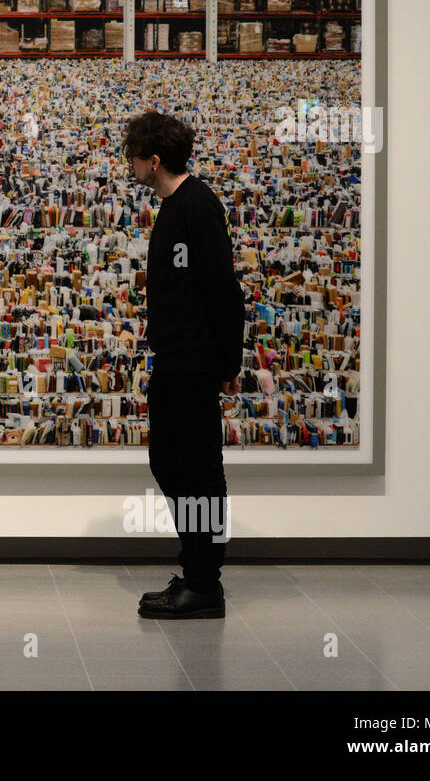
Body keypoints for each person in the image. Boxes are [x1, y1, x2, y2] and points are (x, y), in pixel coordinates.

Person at [123, 110, 245, 620]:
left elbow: (223, 288)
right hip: (173, 361)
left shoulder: (197, 206)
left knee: (198, 470)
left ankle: (204, 583)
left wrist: (229, 360)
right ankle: (196, 569)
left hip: (194, 364)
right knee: (171, 464)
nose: (128, 164)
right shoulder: (173, 207)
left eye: (132, 156)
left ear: (154, 161)